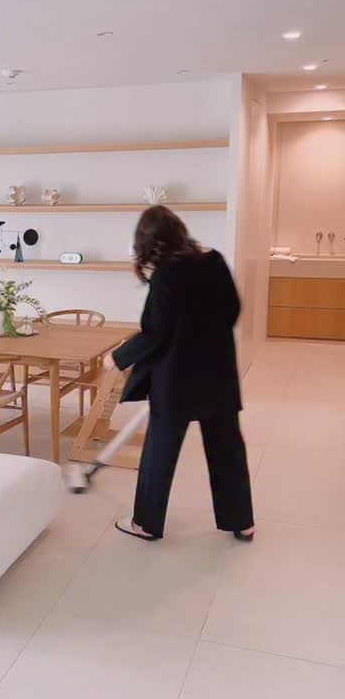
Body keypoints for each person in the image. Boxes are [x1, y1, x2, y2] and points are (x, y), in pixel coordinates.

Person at [103, 205, 254, 542]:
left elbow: (155, 333)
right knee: (227, 448)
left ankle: (146, 523)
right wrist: (206, 337)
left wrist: (118, 357)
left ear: (149, 242)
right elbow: (233, 309)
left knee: (160, 452)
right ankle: (242, 522)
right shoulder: (214, 260)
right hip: (218, 373)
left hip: (177, 381)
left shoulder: (166, 275)